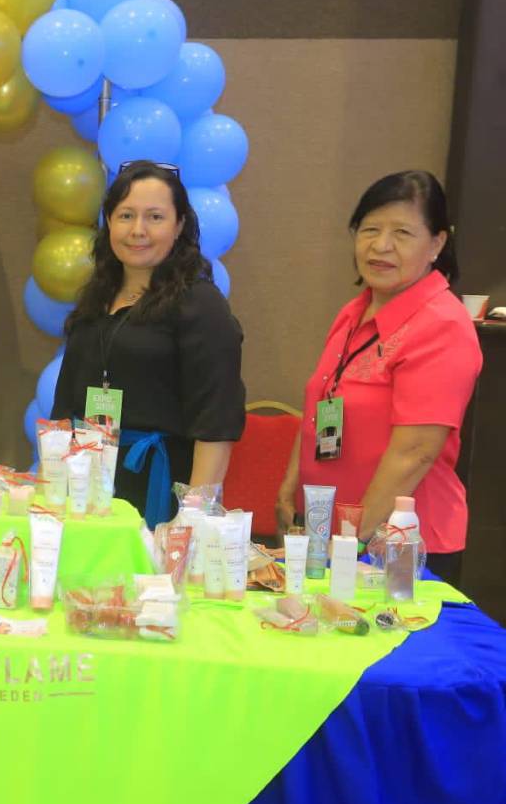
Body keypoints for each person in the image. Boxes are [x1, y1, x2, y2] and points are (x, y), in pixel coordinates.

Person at [276, 171, 481, 585]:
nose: (381, 245)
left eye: (402, 233)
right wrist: (291, 486)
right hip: (331, 532)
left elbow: (416, 452)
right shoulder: (356, 311)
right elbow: (322, 402)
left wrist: (352, 539)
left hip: (399, 544)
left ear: (437, 244)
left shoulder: (442, 325)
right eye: (369, 229)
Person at [51, 160, 245, 527]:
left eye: (155, 217)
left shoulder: (200, 304)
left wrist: (191, 518)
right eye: (125, 215)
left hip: (161, 489)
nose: (137, 230)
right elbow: (65, 407)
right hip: (88, 489)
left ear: (180, 226)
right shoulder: (95, 300)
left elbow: (216, 425)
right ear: (108, 222)